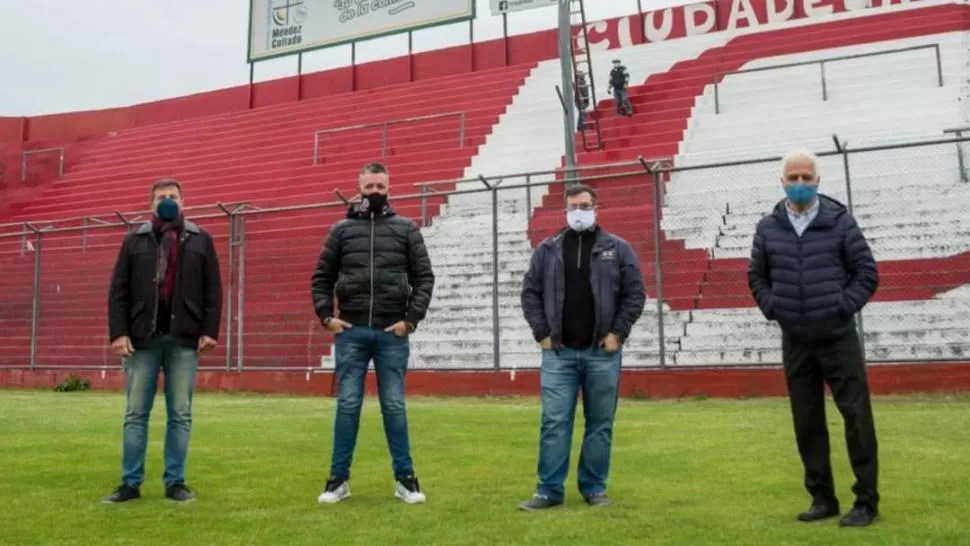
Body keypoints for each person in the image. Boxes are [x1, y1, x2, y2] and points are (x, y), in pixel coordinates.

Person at [747, 151, 880, 527]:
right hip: (796, 341)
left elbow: (866, 273)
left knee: (857, 418)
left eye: (807, 176)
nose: (800, 183)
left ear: (818, 180)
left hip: (838, 338)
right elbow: (757, 276)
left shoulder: (840, 222)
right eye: (794, 176)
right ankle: (822, 498)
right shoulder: (767, 228)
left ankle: (866, 502)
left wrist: (843, 306)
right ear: (782, 180)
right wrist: (774, 308)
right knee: (807, 422)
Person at [311, 161, 435, 505]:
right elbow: (321, 278)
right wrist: (326, 317)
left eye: (381, 187)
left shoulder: (406, 229)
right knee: (347, 405)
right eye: (370, 188)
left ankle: (406, 480)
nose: (375, 193)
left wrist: (410, 320)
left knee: (394, 406)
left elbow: (424, 277)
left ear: (389, 188)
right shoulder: (340, 231)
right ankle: (337, 481)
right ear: (359, 187)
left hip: (391, 332)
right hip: (350, 331)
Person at [518, 183, 646, 511]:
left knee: (600, 423)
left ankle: (594, 488)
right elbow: (530, 293)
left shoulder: (618, 249)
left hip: (602, 352)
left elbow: (635, 293)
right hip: (558, 353)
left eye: (585, 205)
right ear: (565, 209)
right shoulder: (547, 250)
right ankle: (549, 490)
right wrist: (541, 332)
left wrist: (618, 333)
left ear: (596, 207)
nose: (579, 211)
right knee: (554, 421)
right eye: (574, 206)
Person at [104, 178, 223, 503]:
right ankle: (130, 482)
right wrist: (118, 332)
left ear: (183, 201)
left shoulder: (201, 240)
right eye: (161, 197)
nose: (167, 200)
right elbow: (118, 290)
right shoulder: (135, 240)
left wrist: (210, 330)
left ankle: (175, 482)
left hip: (183, 338)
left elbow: (213, 289)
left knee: (180, 413)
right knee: (135, 413)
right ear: (151, 204)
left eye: (172, 196)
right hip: (142, 338)